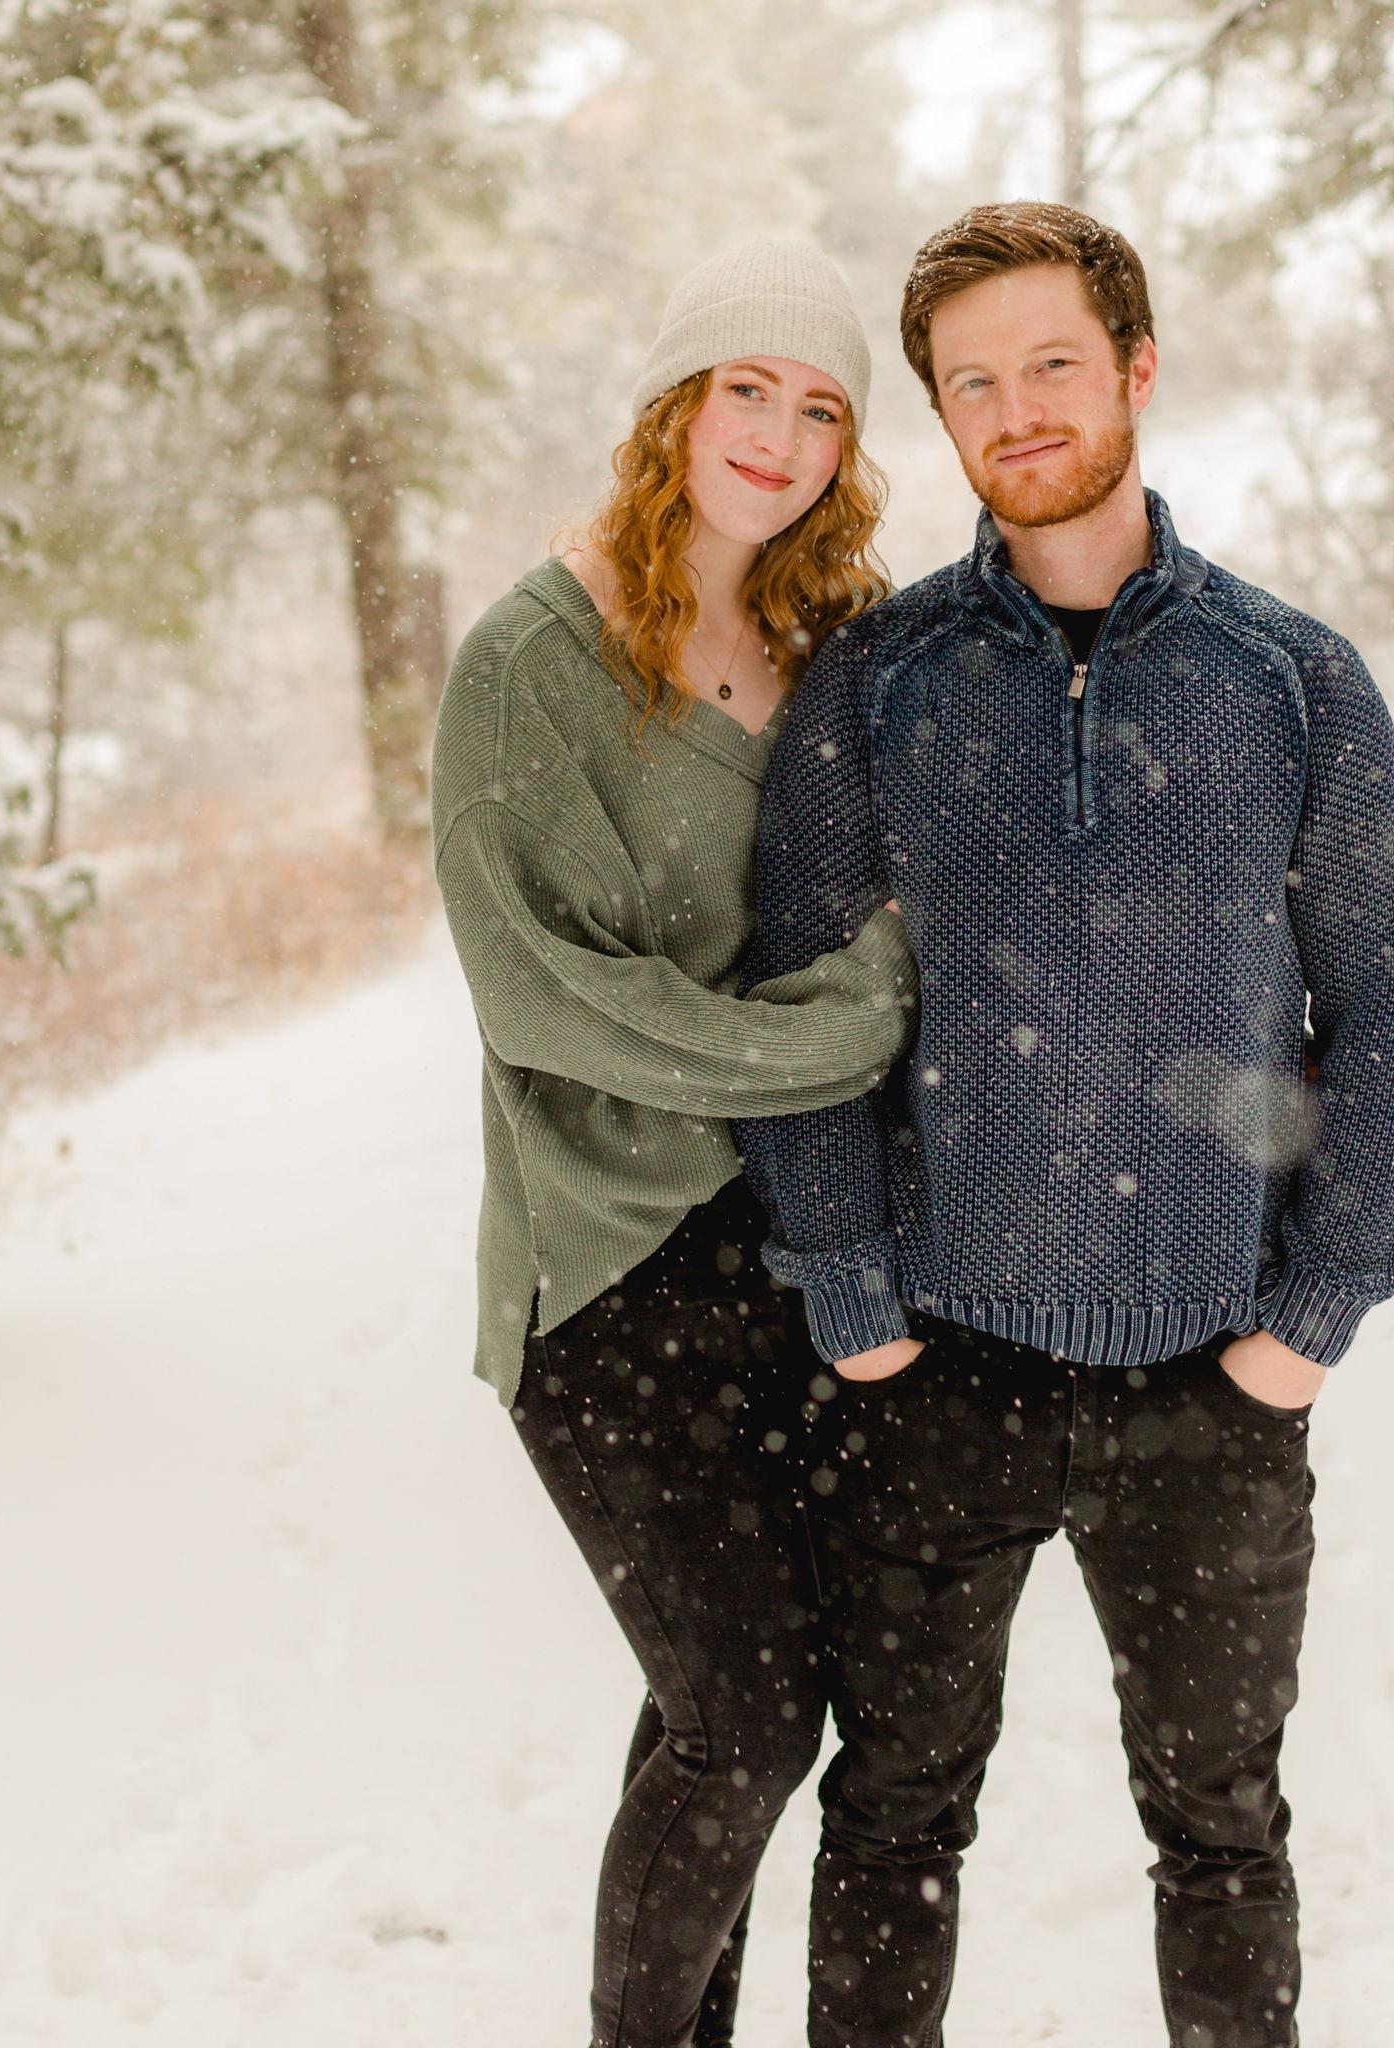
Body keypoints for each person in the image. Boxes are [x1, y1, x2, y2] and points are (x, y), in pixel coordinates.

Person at [735, 202, 1394, 2048]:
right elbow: (793, 1000)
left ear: (1135, 365)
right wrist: (853, 1294)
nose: (1016, 408)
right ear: (943, 422)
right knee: (890, 1819)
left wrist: (1315, 1317)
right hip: (936, 1367)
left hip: (1214, 1371)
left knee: (1218, 1831)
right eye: (973, 382)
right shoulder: (878, 683)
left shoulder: (1291, 681)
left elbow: (1382, 1008)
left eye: (1051, 362)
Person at [430, 240, 918, 2048]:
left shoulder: (817, 635)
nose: (780, 436)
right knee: (745, 1709)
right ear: (672, 407)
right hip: (604, 1268)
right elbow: (545, 994)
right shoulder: (530, 664)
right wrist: (835, 1042)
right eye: (747, 391)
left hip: (781, 1254)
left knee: (711, 1706)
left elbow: (876, 882)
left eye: (820, 408)